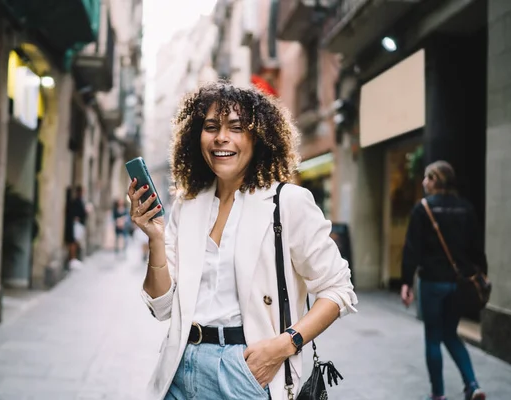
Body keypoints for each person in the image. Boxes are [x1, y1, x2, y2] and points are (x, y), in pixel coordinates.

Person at [128, 82, 357, 400]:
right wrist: (155, 238)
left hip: (247, 370)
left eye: (236, 128)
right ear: (198, 137)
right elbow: (163, 307)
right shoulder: (188, 204)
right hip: (180, 365)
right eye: (211, 127)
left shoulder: (287, 202)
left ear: (257, 137)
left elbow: (338, 289)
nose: (221, 137)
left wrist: (284, 344)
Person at [401, 161, 487, 400]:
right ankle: (472, 384)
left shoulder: (423, 208)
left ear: (436, 180)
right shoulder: (465, 208)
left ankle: (438, 394)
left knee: (433, 337)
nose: (423, 182)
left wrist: (406, 282)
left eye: (427, 178)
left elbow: (412, 250)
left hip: (432, 282)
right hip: (459, 284)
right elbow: (476, 248)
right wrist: (482, 274)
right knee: (450, 333)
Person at [68, 185, 87, 269]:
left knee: (77, 241)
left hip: (79, 224)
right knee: (74, 241)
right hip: (77, 224)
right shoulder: (76, 201)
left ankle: (74, 259)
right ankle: (72, 259)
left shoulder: (80, 201)